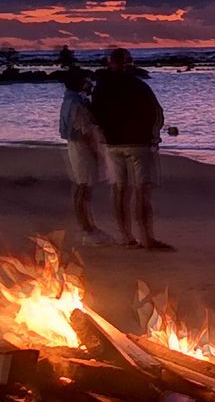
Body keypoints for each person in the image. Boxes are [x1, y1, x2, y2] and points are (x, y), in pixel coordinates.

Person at [88, 46, 173, 250]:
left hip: (113, 143)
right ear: (128, 63)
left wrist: (102, 136)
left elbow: (94, 115)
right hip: (139, 143)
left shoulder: (101, 87)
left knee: (119, 189)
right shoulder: (139, 85)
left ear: (110, 63)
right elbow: (156, 113)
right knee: (142, 191)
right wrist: (154, 137)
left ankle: (125, 236)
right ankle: (146, 238)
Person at [57, 65, 109, 240]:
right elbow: (85, 132)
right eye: (85, 80)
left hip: (76, 146)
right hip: (82, 148)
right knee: (84, 187)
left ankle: (87, 224)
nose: (88, 83)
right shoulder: (77, 104)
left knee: (82, 186)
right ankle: (86, 226)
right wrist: (96, 152)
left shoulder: (70, 101)